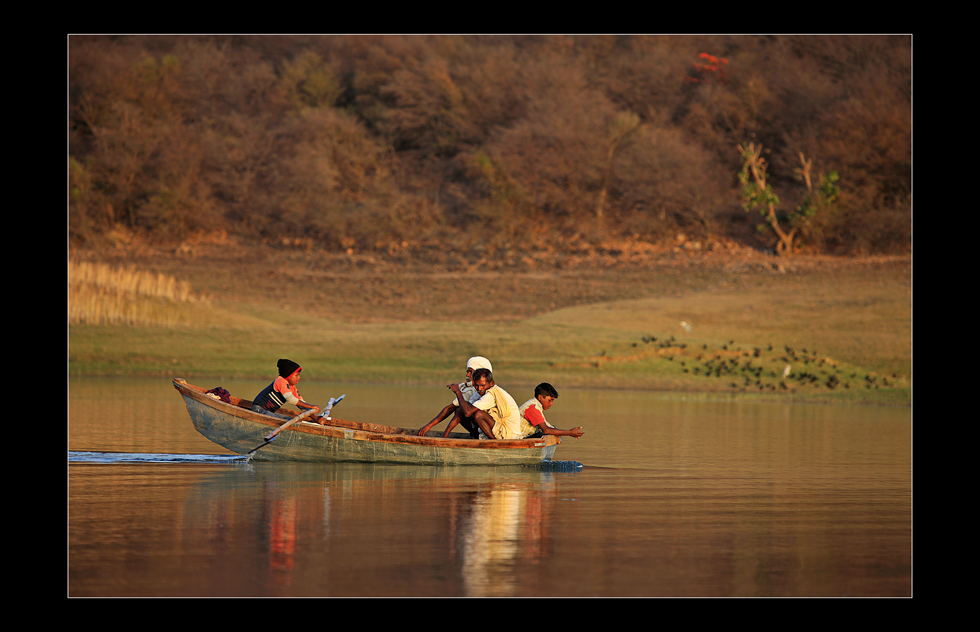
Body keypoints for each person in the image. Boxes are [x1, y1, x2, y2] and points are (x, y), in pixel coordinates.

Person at [417, 356, 493, 437]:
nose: (468, 375)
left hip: (491, 428)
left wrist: (428, 426)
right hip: (482, 426)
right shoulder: (471, 389)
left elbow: (451, 409)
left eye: (471, 372)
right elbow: (453, 409)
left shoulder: (479, 390)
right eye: (467, 372)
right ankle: (476, 435)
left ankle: (491, 439)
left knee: (461, 410)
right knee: (460, 409)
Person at [446, 368, 523, 440]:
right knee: (460, 409)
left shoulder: (491, 394)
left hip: (509, 434)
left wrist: (458, 392)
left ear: (491, 383)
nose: (479, 389)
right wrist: (445, 434)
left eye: (482, 385)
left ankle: (493, 442)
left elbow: (467, 412)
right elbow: (464, 409)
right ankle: (477, 437)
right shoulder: (480, 392)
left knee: (478, 414)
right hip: (498, 428)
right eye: (476, 385)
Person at [251, 359, 320, 420]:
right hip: (259, 409)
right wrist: (311, 406)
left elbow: (302, 405)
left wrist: (315, 418)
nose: (299, 378)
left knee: (290, 420)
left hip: (269, 412)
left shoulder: (292, 387)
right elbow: (290, 399)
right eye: (296, 375)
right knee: (280, 421)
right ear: (288, 375)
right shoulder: (281, 381)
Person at [518, 382, 584, 439]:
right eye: (549, 400)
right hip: (517, 438)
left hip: (524, 437)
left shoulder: (536, 407)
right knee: (544, 434)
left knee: (552, 430)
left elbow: (549, 427)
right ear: (540, 397)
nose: (551, 404)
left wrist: (568, 432)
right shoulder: (532, 408)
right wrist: (569, 433)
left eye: (552, 401)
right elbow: (546, 430)